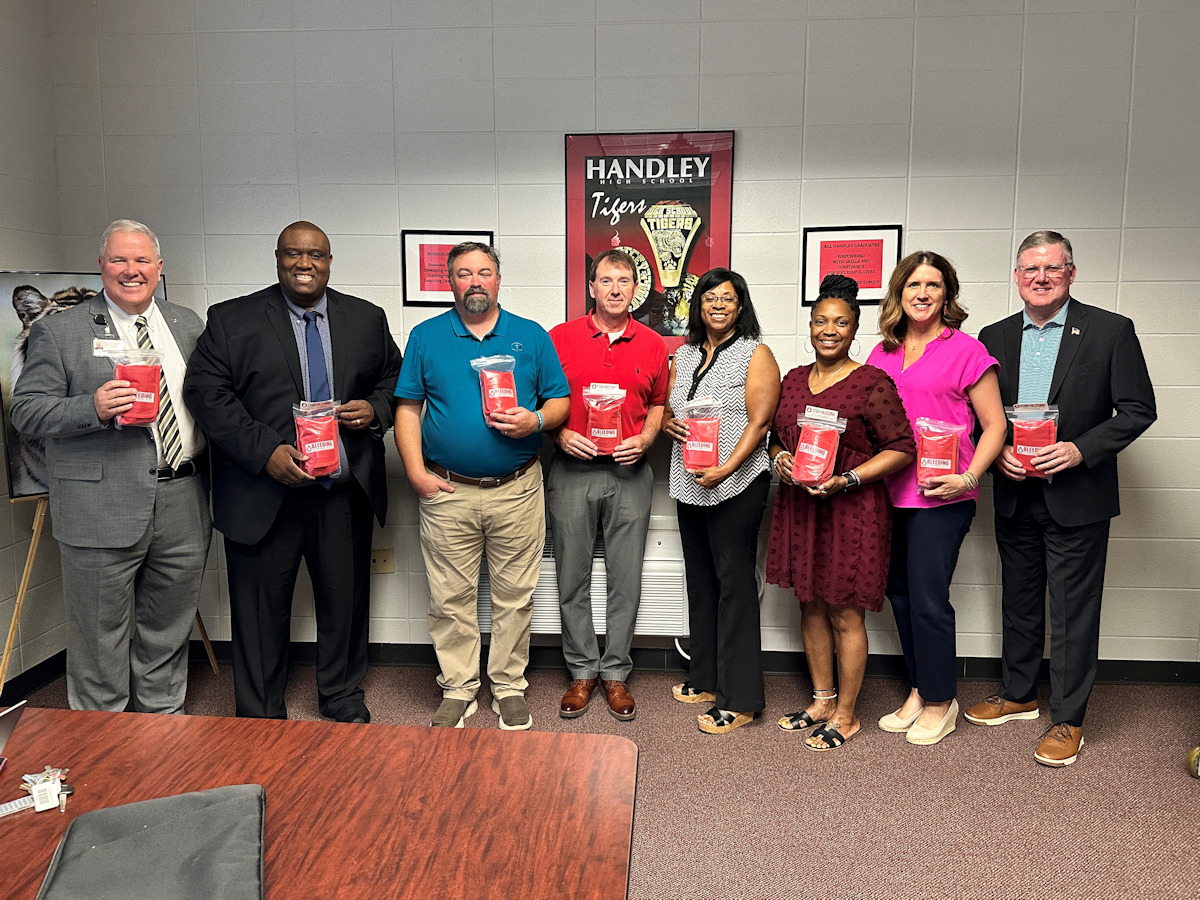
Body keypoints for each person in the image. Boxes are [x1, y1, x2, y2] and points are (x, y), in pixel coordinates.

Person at [183, 221, 402, 724]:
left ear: (329, 261)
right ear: (277, 258)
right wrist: (266, 453)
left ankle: (342, 694)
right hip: (263, 492)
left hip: (341, 494)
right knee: (259, 609)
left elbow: (395, 376)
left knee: (344, 602)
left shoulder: (366, 318)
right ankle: (261, 710)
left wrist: (375, 408)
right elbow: (206, 395)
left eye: (316, 256)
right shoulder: (231, 320)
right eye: (293, 254)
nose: (304, 264)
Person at [965, 230, 1155, 767]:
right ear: (1017, 277)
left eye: (1051, 269)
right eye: (1030, 270)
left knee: (1072, 611)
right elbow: (984, 415)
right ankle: (1020, 693)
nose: (1040, 278)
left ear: (1070, 273)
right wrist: (991, 449)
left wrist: (1079, 449)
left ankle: (1067, 719)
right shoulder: (994, 335)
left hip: (1078, 493)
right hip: (1015, 492)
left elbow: (1138, 409)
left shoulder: (1110, 331)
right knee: (1019, 601)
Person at [12, 219, 210, 713]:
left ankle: (162, 727)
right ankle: (101, 744)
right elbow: (26, 410)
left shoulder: (187, 324)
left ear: (159, 268)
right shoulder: (60, 331)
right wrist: (91, 408)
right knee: (99, 640)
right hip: (97, 505)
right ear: (101, 266)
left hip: (183, 499)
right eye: (119, 260)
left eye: (142, 261)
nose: (131, 270)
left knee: (167, 629)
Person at [394, 242, 570, 730]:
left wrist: (534, 420)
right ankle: (458, 687)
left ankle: (509, 686)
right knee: (450, 596)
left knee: (516, 594)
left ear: (498, 279)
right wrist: (415, 472)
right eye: (464, 273)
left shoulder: (530, 336)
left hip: (517, 488)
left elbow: (561, 402)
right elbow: (407, 408)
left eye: (485, 272)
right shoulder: (426, 337)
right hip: (447, 491)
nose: (475, 281)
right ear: (449, 281)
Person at [765, 274, 914, 751]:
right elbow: (776, 435)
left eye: (841, 323)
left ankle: (847, 715)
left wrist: (847, 478)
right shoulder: (791, 380)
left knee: (845, 613)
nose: (829, 330)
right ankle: (822, 701)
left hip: (851, 511)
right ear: (810, 326)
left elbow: (902, 447)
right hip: (801, 509)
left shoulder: (872, 382)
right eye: (820, 321)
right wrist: (778, 458)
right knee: (809, 604)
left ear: (854, 330)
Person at [866, 252, 1006, 745]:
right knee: (898, 595)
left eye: (933, 284)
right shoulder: (881, 353)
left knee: (927, 599)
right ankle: (920, 688)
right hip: (887, 496)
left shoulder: (967, 350)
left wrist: (968, 478)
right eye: (913, 285)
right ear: (898, 294)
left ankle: (942, 700)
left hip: (940, 498)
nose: (922, 293)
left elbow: (995, 426)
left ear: (947, 293)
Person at [548, 249, 669, 721]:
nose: (616, 288)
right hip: (572, 471)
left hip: (630, 473)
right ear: (592, 288)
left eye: (625, 280)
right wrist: (558, 432)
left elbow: (658, 404)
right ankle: (582, 671)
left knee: (626, 581)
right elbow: (539, 401)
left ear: (636, 289)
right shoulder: (560, 338)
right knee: (571, 578)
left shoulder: (654, 344)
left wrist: (646, 438)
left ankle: (615, 673)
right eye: (606, 280)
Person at [662, 268, 780, 735]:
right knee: (702, 582)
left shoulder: (756, 353)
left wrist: (727, 467)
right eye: (709, 297)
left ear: (740, 305)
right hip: (690, 481)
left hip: (737, 482)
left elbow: (761, 421)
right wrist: (670, 424)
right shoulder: (685, 354)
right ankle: (707, 676)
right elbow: (672, 408)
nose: (717, 304)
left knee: (734, 586)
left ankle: (742, 698)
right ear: (698, 305)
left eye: (727, 298)